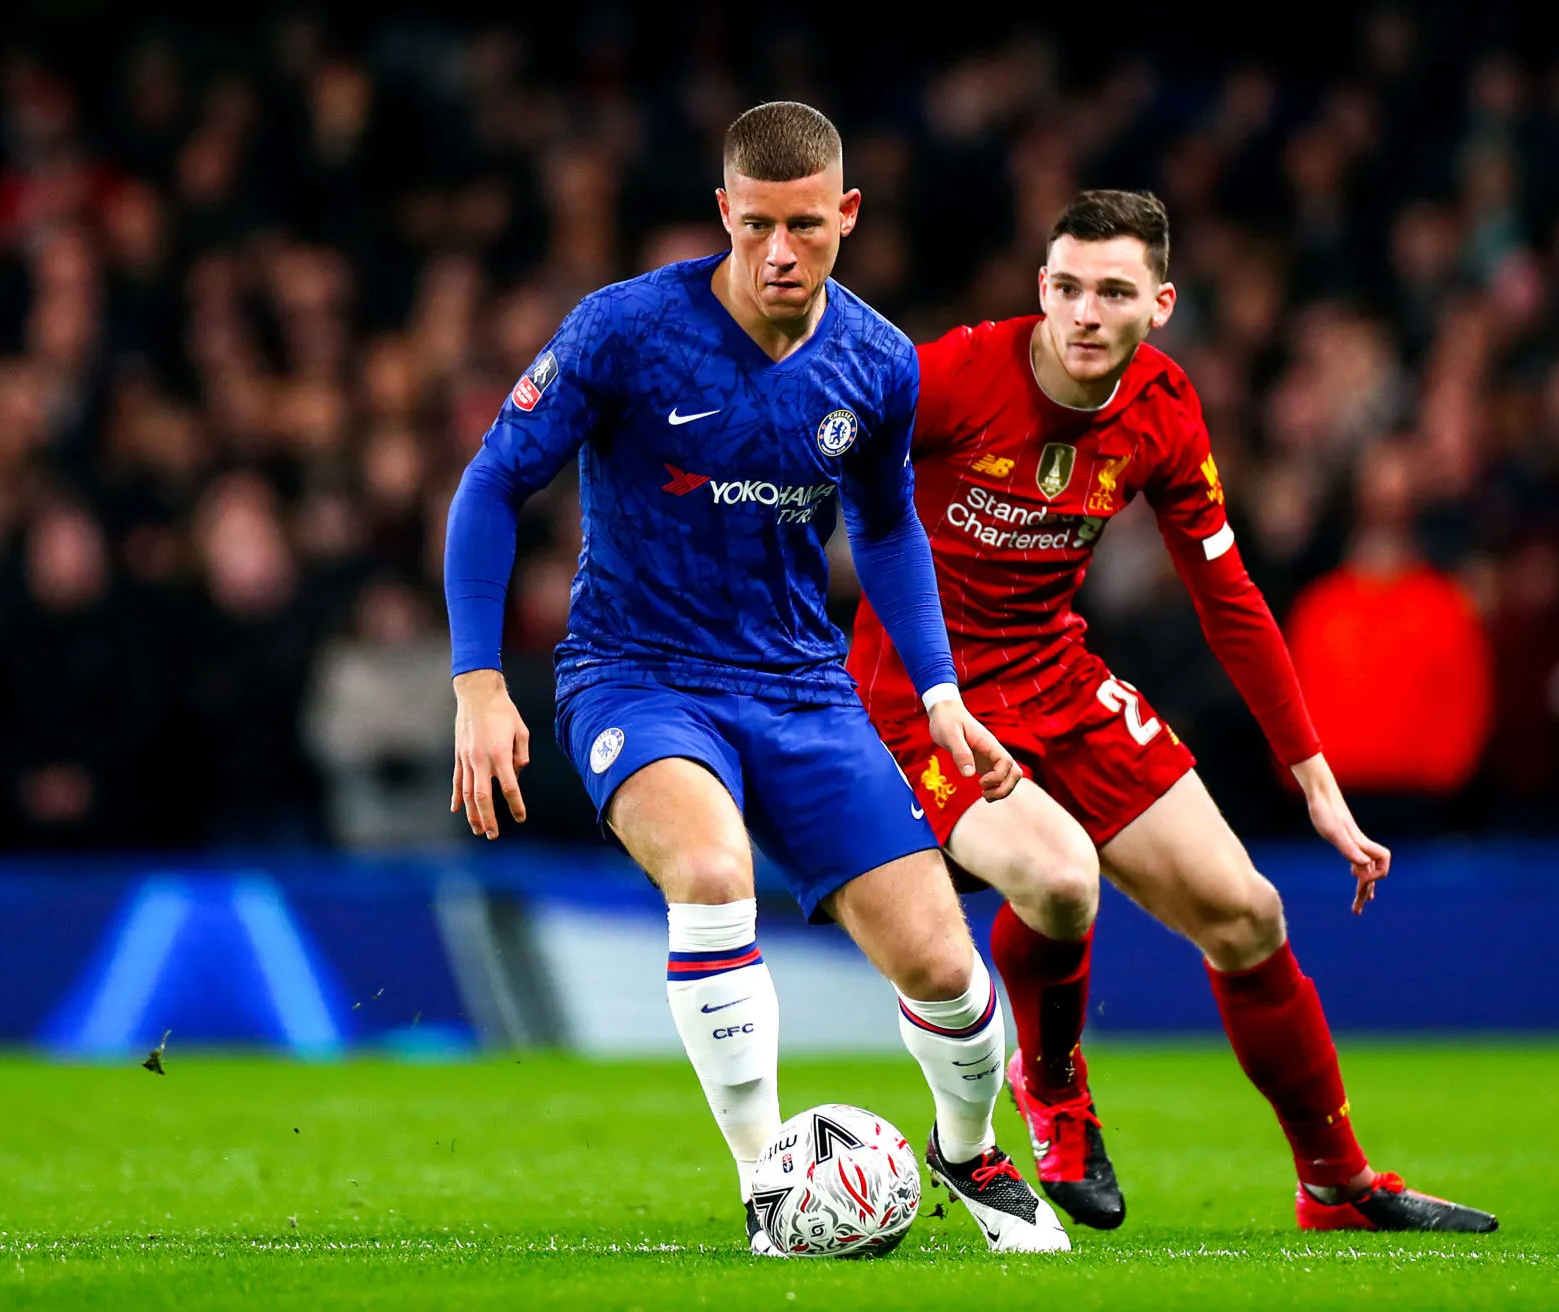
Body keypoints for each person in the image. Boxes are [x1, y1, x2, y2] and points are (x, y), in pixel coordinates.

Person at [442, 102, 1068, 1254]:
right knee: (712, 871)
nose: (781, 251)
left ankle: (971, 1152)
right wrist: (478, 681)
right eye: (758, 226)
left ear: (848, 216)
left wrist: (938, 691)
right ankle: (767, 1182)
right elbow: (491, 484)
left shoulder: (877, 362)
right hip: (637, 675)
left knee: (944, 965)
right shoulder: (625, 330)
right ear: (724, 211)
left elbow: (887, 528)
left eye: (807, 227)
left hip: (801, 686)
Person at [849, 189, 1498, 1234]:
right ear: (1041, 289)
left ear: (1160, 304)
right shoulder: (954, 375)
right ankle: (1053, 1092)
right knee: (1061, 882)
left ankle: (1335, 1185)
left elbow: (1226, 593)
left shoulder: (1162, 404)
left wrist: (1314, 781)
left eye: (1113, 292)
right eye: (1066, 287)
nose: (1084, 313)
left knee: (1248, 913)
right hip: (924, 692)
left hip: (1053, 672)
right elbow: (822, 471)